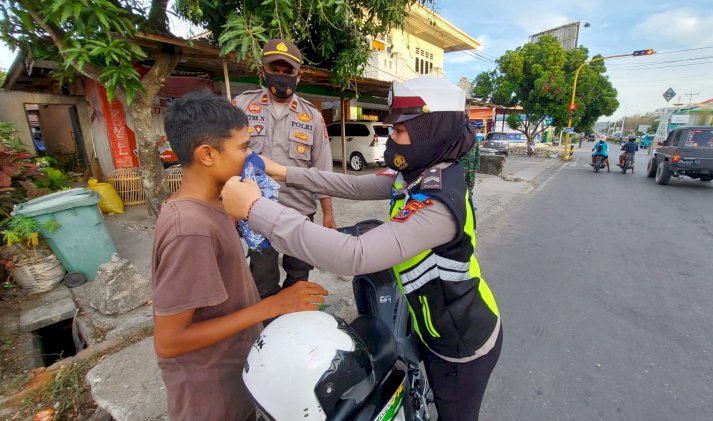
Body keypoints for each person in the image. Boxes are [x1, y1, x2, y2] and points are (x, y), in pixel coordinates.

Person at [221, 76, 502, 421]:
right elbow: (352, 184)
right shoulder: (418, 171)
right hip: (431, 321)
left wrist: (256, 210)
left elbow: (354, 254)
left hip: (461, 342)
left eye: (399, 132)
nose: (390, 140)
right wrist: (282, 171)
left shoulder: (439, 203)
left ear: (433, 130)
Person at [151, 90, 328, 421]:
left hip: (235, 374)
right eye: (244, 147)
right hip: (212, 396)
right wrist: (274, 305)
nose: (252, 156)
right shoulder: (189, 230)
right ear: (207, 154)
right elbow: (170, 341)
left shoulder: (212, 205)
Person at [232, 39, 336, 299]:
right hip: (257, 209)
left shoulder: (311, 116)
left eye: (287, 71)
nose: (280, 76)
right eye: (274, 69)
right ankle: (266, 326)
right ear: (263, 71)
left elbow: (322, 168)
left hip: (299, 211)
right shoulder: (243, 106)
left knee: (299, 275)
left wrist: (328, 215)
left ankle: (294, 324)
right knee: (262, 277)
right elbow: (228, 157)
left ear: (298, 76)